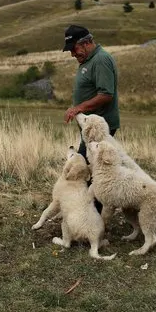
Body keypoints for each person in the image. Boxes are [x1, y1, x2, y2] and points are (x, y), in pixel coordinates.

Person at [62, 24, 120, 212]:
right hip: (90, 129)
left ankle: (91, 216)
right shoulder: (88, 60)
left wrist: (78, 108)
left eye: (74, 49)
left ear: (86, 43)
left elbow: (106, 94)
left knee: (93, 171)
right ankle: (91, 213)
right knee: (91, 170)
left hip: (99, 129)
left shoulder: (101, 60)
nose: (72, 54)